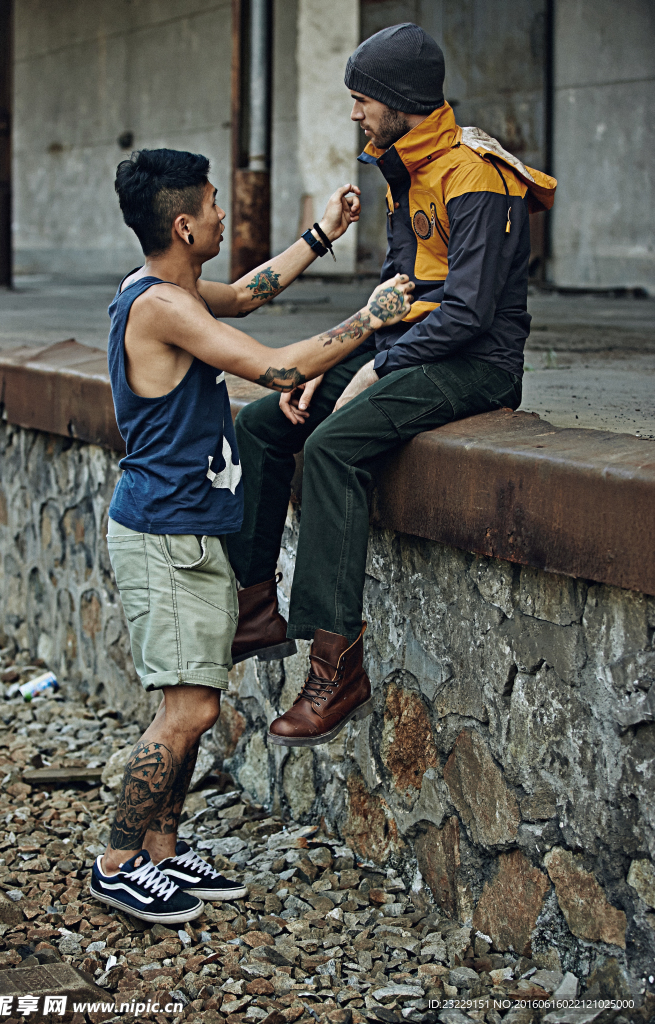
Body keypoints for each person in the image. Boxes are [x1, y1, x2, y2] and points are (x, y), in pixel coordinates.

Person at [89, 147, 414, 924]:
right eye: (210, 205)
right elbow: (273, 369)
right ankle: (115, 861)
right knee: (189, 710)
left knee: (195, 696)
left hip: (192, 530)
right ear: (181, 223)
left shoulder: (180, 290)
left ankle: (163, 853)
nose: (220, 216)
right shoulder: (159, 308)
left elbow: (248, 293)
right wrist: (368, 320)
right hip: (163, 536)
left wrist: (321, 235)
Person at [226, 23, 556, 748]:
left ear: (399, 99)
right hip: (411, 346)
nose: (354, 114)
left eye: (360, 99)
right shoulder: (404, 164)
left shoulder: (477, 174)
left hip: (475, 363)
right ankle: (254, 610)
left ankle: (335, 668)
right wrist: (330, 363)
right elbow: (396, 289)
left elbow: (467, 313)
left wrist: (373, 370)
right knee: (261, 422)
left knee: (335, 446)